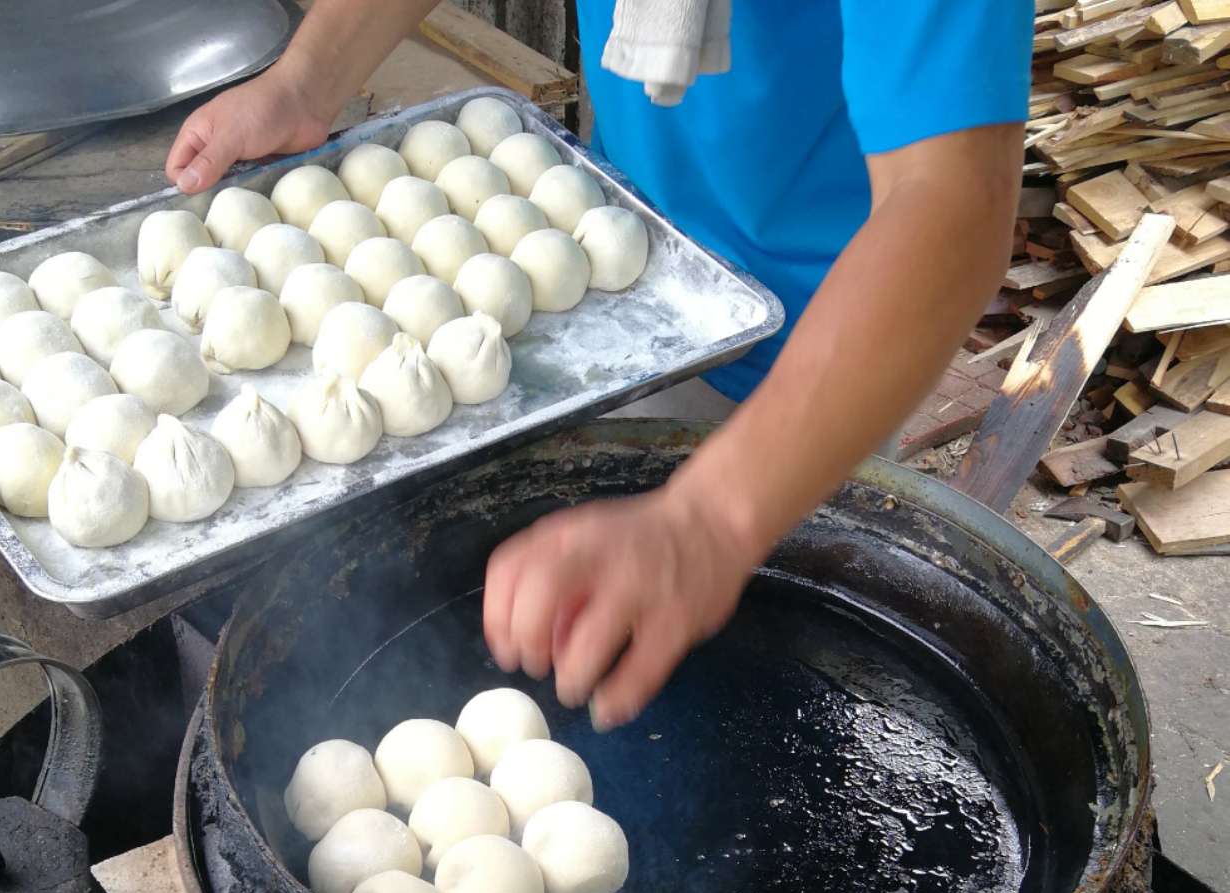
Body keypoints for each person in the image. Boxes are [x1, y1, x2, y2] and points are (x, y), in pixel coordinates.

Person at [167, 2, 1031, 730]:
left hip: (820, 361)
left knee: (750, 709)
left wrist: (710, 519)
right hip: (615, 291)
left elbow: (952, 200)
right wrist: (307, 78)